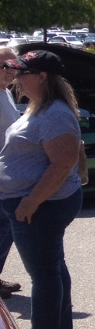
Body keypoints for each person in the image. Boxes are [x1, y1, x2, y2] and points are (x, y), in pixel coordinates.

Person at [0, 51, 83, 329]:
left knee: (44, 275)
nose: (16, 79)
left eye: (22, 73)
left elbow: (62, 164)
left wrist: (30, 202)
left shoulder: (55, 114)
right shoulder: (41, 108)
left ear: (42, 77)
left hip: (40, 205)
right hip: (34, 203)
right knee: (53, 267)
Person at [0, 47, 23, 298]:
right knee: (4, 227)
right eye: (4, 66)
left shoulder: (5, 92)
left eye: (13, 67)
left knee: (5, 227)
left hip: (7, 171)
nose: (10, 72)